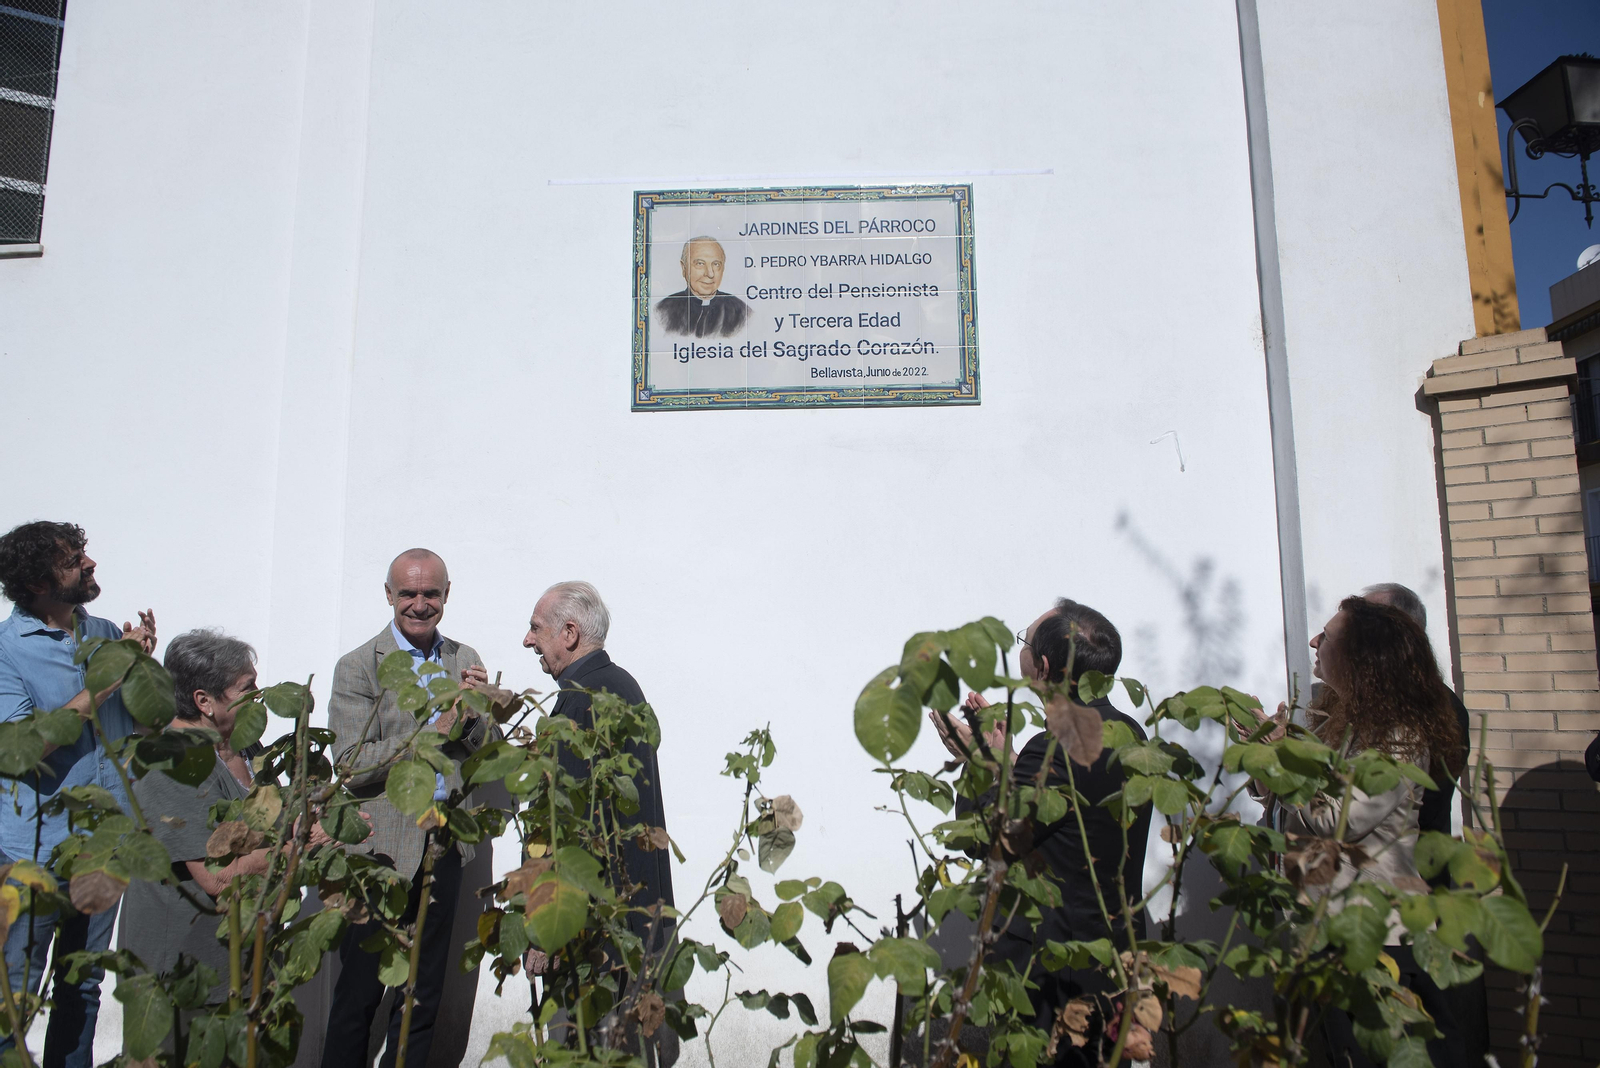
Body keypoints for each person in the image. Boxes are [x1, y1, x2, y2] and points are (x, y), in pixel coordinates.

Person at [931, 598, 1153, 1063]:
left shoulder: (1055, 747)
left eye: (1024, 642)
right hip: (1113, 955)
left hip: (1054, 968)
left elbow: (990, 840)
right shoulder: (1130, 734)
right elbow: (1065, 816)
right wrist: (1011, 761)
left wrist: (981, 763)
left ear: (1043, 666)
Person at [321, 549, 494, 1068]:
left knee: (423, 990)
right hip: (381, 851)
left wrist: (476, 711)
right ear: (389, 596)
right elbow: (350, 763)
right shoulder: (357, 666)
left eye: (431, 594)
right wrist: (430, 731)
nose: (420, 605)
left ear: (446, 595)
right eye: (409, 594)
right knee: (360, 990)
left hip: (443, 841)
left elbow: (481, 743)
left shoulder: (463, 659)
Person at [0, 521, 155, 1068]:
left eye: (84, 553)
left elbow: (134, 726)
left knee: (83, 986)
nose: (89, 564)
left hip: (104, 844)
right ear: (38, 583)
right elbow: (21, 749)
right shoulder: (5, 651)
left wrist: (140, 670)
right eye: (73, 560)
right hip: (34, 850)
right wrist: (110, 676)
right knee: (14, 993)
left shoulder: (106, 629)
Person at [119, 630, 343, 1006]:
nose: (261, 695)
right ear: (204, 701)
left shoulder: (244, 745)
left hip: (243, 956)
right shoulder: (176, 764)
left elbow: (272, 818)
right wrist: (302, 845)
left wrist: (320, 814)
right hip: (185, 972)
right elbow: (218, 877)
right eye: (248, 688)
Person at [1292, 597, 1468, 1068]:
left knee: (1378, 1050)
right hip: (1329, 916)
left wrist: (1283, 766)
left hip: (1376, 928)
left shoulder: (1399, 734)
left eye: (1326, 636)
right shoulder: (1346, 720)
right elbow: (1304, 805)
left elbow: (1336, 819)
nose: (1314, 641)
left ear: (1360, 655)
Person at [524, 581, 674, 941]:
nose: (528, 641)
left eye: (535, 628)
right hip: (635, 907)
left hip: (592, 921)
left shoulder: (580, 700)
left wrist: (548, 928)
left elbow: (568, 823)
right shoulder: (621, 683)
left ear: (569, 633)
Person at [1358, 583, 1470, 837]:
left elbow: (1413, 807)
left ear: (1397, 634)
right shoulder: (1353, 699)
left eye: (1362, 622)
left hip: (1404, 866)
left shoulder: (1436, 708)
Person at [653, 237, 750, 337]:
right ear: (684, 268)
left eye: (716, 264)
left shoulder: (741, 312)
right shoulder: (662, 311)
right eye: (700, 264)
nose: (710, 273)